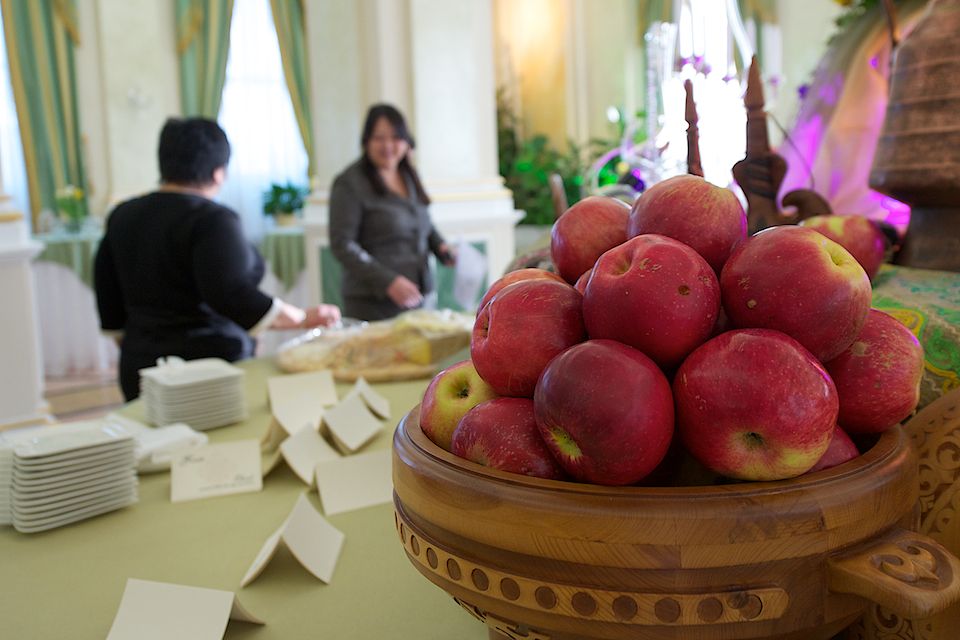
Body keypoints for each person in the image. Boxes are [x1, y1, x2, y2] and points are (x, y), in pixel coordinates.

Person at [94, 117, 341, 400]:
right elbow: (231, 292)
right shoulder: (212, 219)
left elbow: (106, 287)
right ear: (218, 172)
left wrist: (135, 343)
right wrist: (301, 317)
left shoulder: (123, 214)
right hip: (208, 367)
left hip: (140, 367)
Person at [328, 103, 455, 321]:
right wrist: (388, 281)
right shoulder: (349, 183)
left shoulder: (408, 175)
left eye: (396, 137)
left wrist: (439, 245)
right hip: (372, 303)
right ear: (366, 141)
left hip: (419, 296)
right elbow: (342, 244)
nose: (388, 145)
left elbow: (422, 221)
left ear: (407, 142)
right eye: (379, 138)